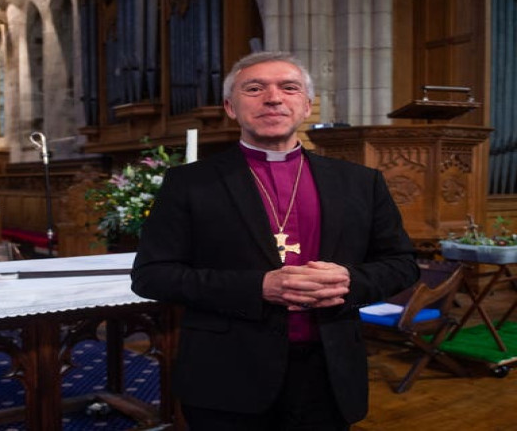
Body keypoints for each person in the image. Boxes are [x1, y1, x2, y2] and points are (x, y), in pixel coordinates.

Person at [131, 51, 419, 430]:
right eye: (254, 88)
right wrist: (258, 286)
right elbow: (152, 276)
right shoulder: (189, 183)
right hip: (227, 371)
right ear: (230, 107)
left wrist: (351, 280)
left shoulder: (361, 182)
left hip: (329, 369)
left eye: (289, 87)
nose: (273, 97)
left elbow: (402, 263)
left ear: (306, 105)